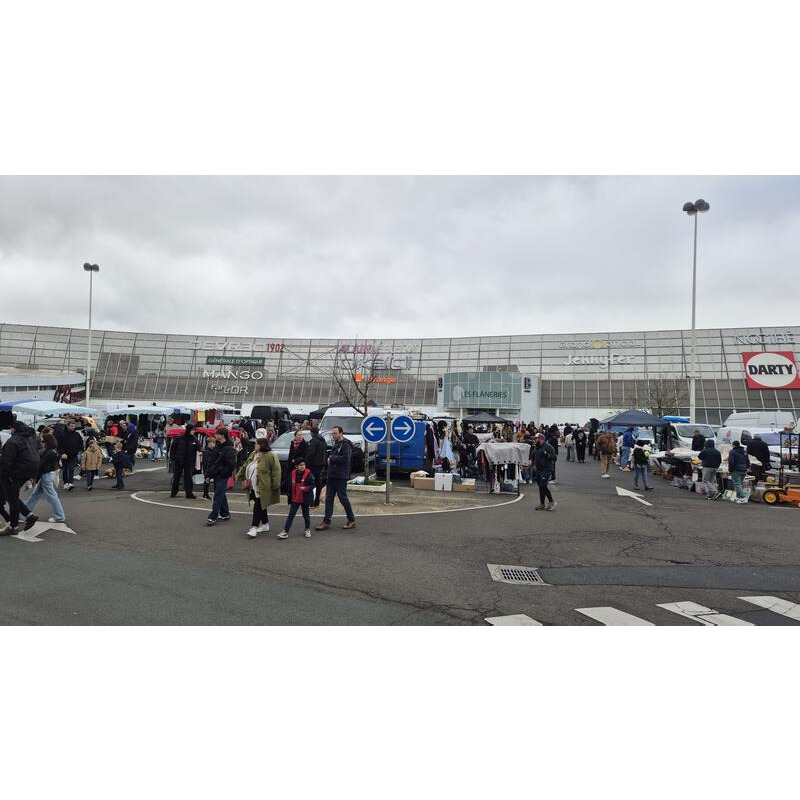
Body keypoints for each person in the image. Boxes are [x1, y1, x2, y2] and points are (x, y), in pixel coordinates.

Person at [0, 421, 46, 534]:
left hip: (15, 473)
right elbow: (37, 454)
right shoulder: (30, 439)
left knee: (12, 499)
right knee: (12, 497)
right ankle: (29, 515)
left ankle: (13, 526)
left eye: (11, 428)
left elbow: (6, 461)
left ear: (15, 429)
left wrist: (3, 475)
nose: (10, 430)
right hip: (29, 472)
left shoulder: (13, 441)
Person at [17, 433, 66, 525]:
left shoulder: (49, 452)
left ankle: (59, 516)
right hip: (47, 475)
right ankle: (24, 515)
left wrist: (33, 477)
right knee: (36, 495)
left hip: (46, 475)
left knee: (50, 496)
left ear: (47, 442)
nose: (41, 443)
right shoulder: (51, 451)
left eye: (43, 441)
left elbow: (41, 466)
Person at [237, 437, 281, 538]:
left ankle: (254, 527)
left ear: (262, 445)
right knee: (261, 505)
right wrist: (240, 474)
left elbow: (276, 470)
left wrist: (275, 484)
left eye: (257, 444)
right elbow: (246, 465)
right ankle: (265, 524)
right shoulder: (253, 454)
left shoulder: (271, 455)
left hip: (263, 486)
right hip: (252, 485)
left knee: (258, 505)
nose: (255, 445)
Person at [315, 425, 356, 531]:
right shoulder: (336, 444)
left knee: (343, 498)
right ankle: (326, 521)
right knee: (329, 499)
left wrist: (331, 458)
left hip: (341, 476)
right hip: (332, 476)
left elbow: (345, 459)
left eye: (335, 433)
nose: (333, 435)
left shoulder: (346, 445)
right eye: (332, 433)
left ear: (341, 433)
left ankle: (351, 519)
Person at [278, 456, 316, 539]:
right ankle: (285, 531)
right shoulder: (292, 473)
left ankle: (307, 529)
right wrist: (279, 486)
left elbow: (313, 485)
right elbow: (287, 483)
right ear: (296, 466)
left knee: (306, 515)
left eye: (304, 465)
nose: (302, 466)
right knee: (291, 515)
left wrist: (305, 488)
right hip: (295, 498)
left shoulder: (309, 474)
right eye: (300, 465)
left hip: (305, 498)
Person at [205, 428, 237, 526]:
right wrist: (208, 474)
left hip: (222, 475)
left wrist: (223, 473)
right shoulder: (217, 447)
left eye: (217, 434)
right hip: (216, 474)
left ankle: (213, 516)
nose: (215, 435)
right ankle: (225, 513)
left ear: (222, 435)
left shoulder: (229, 448)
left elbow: (231, 464)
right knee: (220, 494)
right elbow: (212, 462)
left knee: (218, 495)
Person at [170, 424, 199, 499]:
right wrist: (174, 458)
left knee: (188, 477)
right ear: (189, 430)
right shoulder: (179, 438)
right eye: (192, 430)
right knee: (177, 477)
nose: (194, 431)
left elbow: (199, 448)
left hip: (189, 462)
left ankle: (189, 493)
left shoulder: (195, 439)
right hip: (179, 461)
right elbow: (172, 448)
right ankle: (174, 492)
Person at [531, 433, 557, 511]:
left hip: (547, 469)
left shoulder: (548, 446)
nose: (534, 440)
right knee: (541, 487)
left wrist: (548, 455)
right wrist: (531, 463)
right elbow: (533, 456)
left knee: (543, 485)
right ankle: (542, 504)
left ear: (541, 439)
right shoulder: (536, 447)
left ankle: (551, 501)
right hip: (539, 469)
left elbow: (555, 458)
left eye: (535, 439)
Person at [305, 426, 327, 507]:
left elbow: (311, 454)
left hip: (314, 465)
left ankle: (311, 502)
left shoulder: (314, 441)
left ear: (312, 433)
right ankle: (316, 502)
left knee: (311, 483)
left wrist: (306, 464)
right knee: (318, 484)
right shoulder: (322, 440)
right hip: (321, 464)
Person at [59, 419, 83, 491]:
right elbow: (59, 445)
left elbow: (81, 444)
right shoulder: (62, 435)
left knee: (71, 468)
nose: (73, 427)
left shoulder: (77, 435)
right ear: (67, 426)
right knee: (65, 469)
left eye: (73, 426)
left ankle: (70, 483)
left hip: (73, 454)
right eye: (71, 426)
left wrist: (77, 450)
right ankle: (65, 483)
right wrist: (62, 453)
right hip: (65, 455)